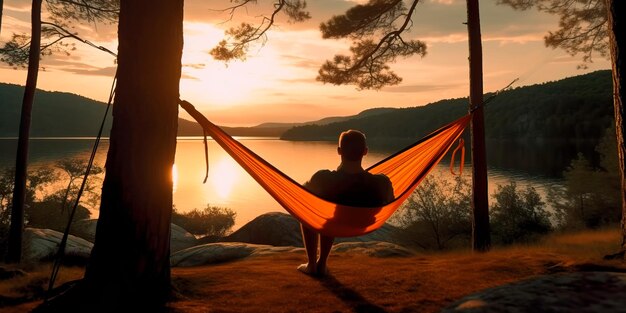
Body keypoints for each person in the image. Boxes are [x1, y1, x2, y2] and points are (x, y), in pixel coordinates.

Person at [298, 129, 394, 277]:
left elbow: (302, 194)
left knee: (309, 215)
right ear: (365, 151)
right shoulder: (382, 182)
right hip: (364, 224)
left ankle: (313, 265)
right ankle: (321, 264)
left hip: (337, 222)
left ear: (339, 151)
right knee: (329, 216)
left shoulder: (323, 178)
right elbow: (390, 200)